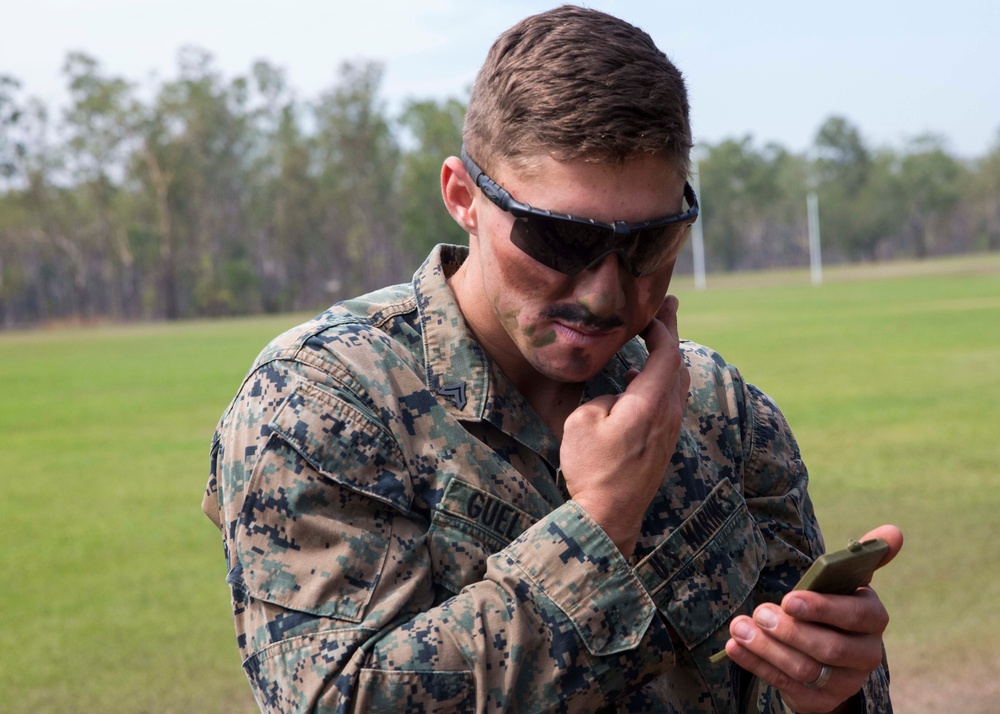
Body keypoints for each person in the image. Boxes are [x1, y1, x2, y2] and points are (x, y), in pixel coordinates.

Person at [202, 6, 902, 712]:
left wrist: (829, 689)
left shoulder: (721, 410)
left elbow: (803, 689)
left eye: (647, 244)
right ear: (462, 197)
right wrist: (599, 522)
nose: (602, 294)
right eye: (558, 239)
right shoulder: (321, 401)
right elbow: (335, 701)